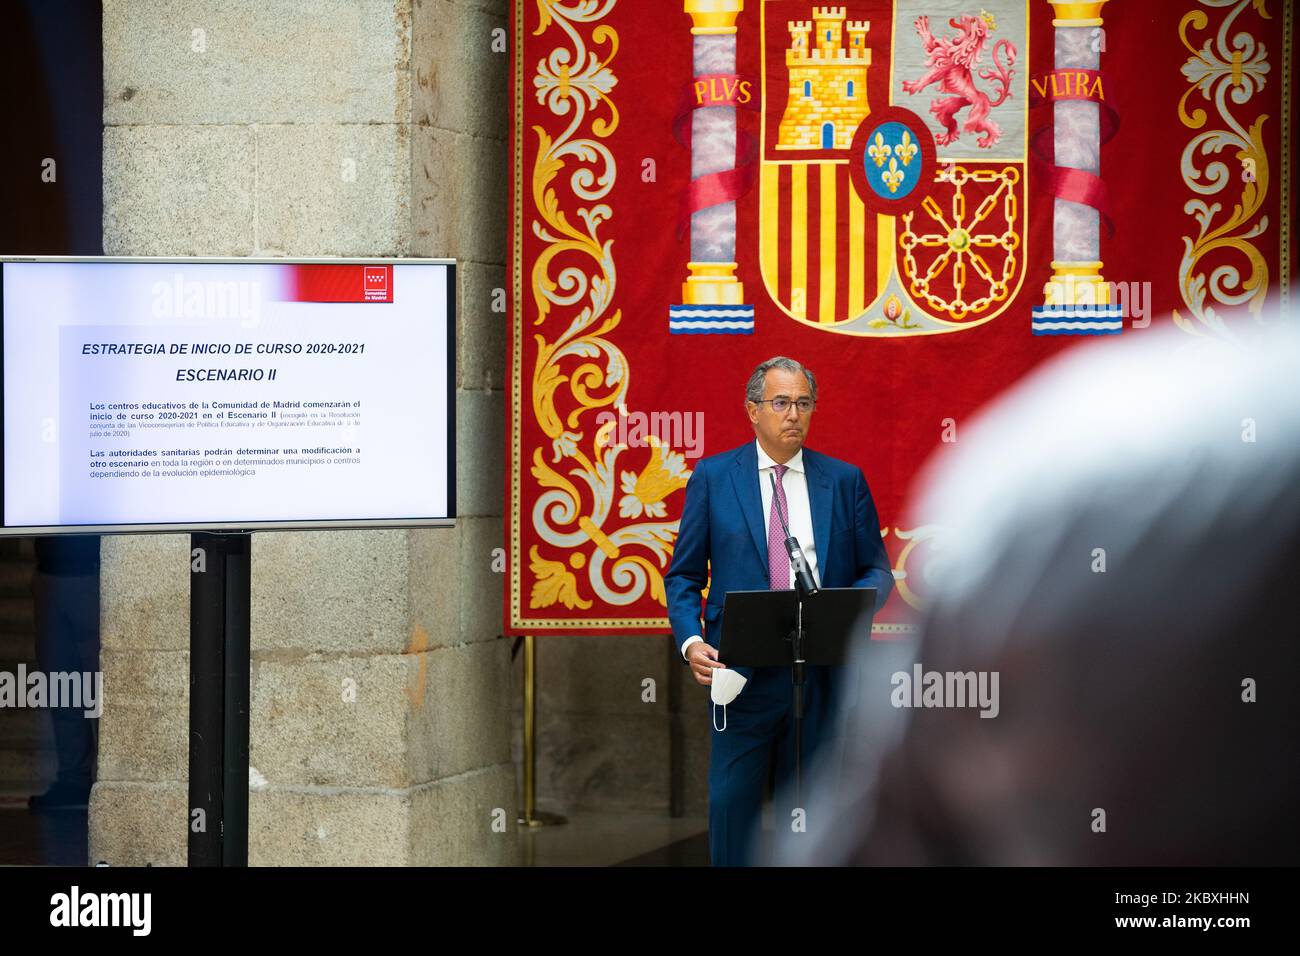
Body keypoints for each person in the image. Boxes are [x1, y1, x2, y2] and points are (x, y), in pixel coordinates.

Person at [665, 356, 894, 866]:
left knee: (813, 813)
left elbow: (878, 573)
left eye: (803, 403)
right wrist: (691, 642)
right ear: (753, 410)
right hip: (738, 674)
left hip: (819, 674)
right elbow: (682, 577)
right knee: (732, 808)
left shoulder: (844, 480)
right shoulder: (715, 476)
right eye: (781, 402)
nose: (794, 414)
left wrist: (847, 609)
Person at [28, 535, 101, 813]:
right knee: (61, 687)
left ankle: (111, 776)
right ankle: (74, 779)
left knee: (102, 687)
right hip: (48, 572)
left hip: (90, 573)